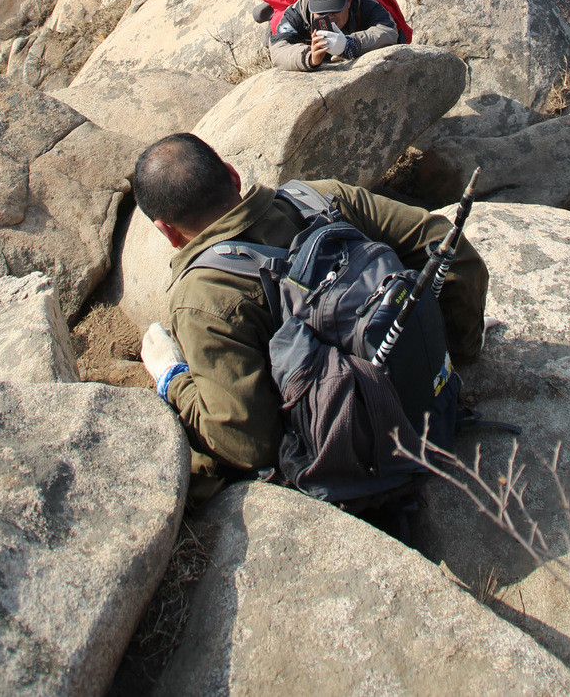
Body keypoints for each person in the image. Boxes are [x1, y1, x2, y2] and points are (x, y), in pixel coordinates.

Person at [134, 133, 488, 500]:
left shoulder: (201, 299)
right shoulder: (322, 198)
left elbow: (247, 443)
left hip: (361, 458)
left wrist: (172, 379)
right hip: (433, 403)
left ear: (167, 231)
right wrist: (451, 355)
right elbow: (452, 253)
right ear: (233, 175)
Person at [268, 0, 398, 70]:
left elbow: (388, 31)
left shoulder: (365, 3)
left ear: (348, 1)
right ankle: (268, 12)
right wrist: (310, 56)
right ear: (310, 3)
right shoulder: (296, 12)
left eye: (334, 10)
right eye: (321, 11)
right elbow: (278, 49)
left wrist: (351, 44)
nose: (329, 18)